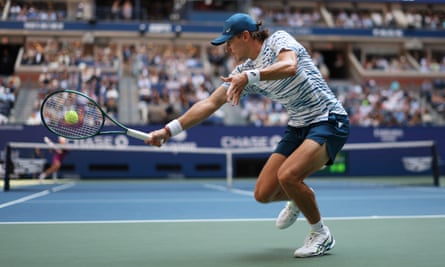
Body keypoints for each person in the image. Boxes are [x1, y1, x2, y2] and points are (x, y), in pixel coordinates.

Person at [145, 13, 350, 258]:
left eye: (229, 41)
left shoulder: (278, 41)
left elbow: (289, 66)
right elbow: (210, 103)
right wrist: (168, 130)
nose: (227, 48)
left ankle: (321, 234)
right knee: (263, 193)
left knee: (288, 175)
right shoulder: (244, 70)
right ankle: (300, 196)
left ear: (245, 36)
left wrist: (250, 77)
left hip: (328, 119)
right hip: (298, 126)